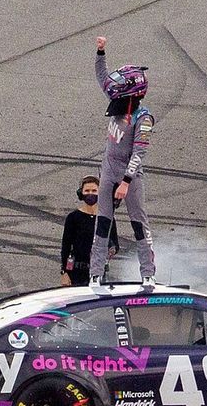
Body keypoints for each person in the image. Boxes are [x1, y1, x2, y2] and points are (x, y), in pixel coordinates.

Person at [88, 36, 157, 291]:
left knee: (139, 224)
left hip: (130, 176)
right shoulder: (118, 100)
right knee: (102, 224)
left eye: (118, 87)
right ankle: (95, 275)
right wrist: (101, 52)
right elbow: (102, 77)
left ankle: (148, 275)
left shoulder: (143, 118)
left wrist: (126, 182)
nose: (112, 91)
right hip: (108, 171)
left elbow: (139, 152)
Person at [60, 175, 119, 286]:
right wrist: (64, 272)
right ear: (81, 193)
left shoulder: (106, 218)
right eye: (87, 191)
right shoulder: (73, 217)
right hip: (76, 273)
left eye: (94, 191)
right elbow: (65, 247)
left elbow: (115, 244)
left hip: (99, 272)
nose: (90, 194)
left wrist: (111, 248)